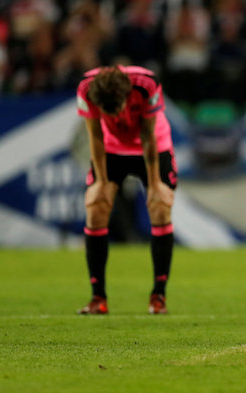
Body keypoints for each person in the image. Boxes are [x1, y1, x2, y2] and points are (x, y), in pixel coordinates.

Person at [76, 65, 177, 315]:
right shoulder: (85, 90)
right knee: (96, 209)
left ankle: (158, 297)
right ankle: (98, 298)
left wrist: (154, 184)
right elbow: (96, 135)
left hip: (154, 144)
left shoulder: (147, 84)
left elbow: (147, 134)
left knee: (160, 208)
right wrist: (100, 182)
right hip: (111, 149)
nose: (117, 116)